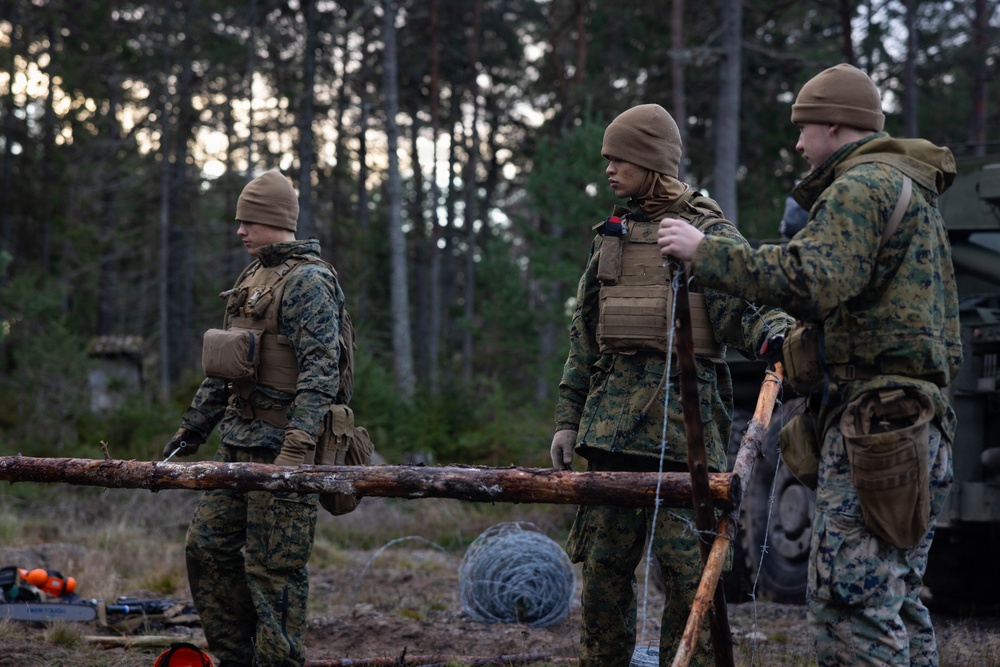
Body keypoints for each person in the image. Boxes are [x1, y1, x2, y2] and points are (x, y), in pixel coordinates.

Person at [657, 63, 961, 666]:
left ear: (833, 124)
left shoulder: (860, 186)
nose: (797, 144)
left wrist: (707, 252)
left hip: (876, 427)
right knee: (896, 602)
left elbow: (811, 279)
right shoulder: (907, 189)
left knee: (851, 608)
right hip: (913, 423)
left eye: (803, 129)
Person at [549, 103, 792, 666]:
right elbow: (585, 335)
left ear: (651, 161)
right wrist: (567, 420)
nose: (609, 168)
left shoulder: (706, 230)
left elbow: (748, 307)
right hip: (610, 432)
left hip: (686, 434)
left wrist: (779, 337)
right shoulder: (612, 233)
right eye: (607, 158)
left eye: (620, 158)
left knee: (689, 579)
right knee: (606, 574)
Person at [162, 170, 346, 667]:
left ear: (274, 221)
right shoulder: (251, 277)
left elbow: (320, 370)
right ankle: (236, 658)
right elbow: (225, 367)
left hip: (283, 449)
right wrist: (193, 427)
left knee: (274, 572)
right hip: (237, 442)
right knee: (206, 548)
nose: (240, 231)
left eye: (248, 221)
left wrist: (297, 446)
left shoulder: (308, 280)